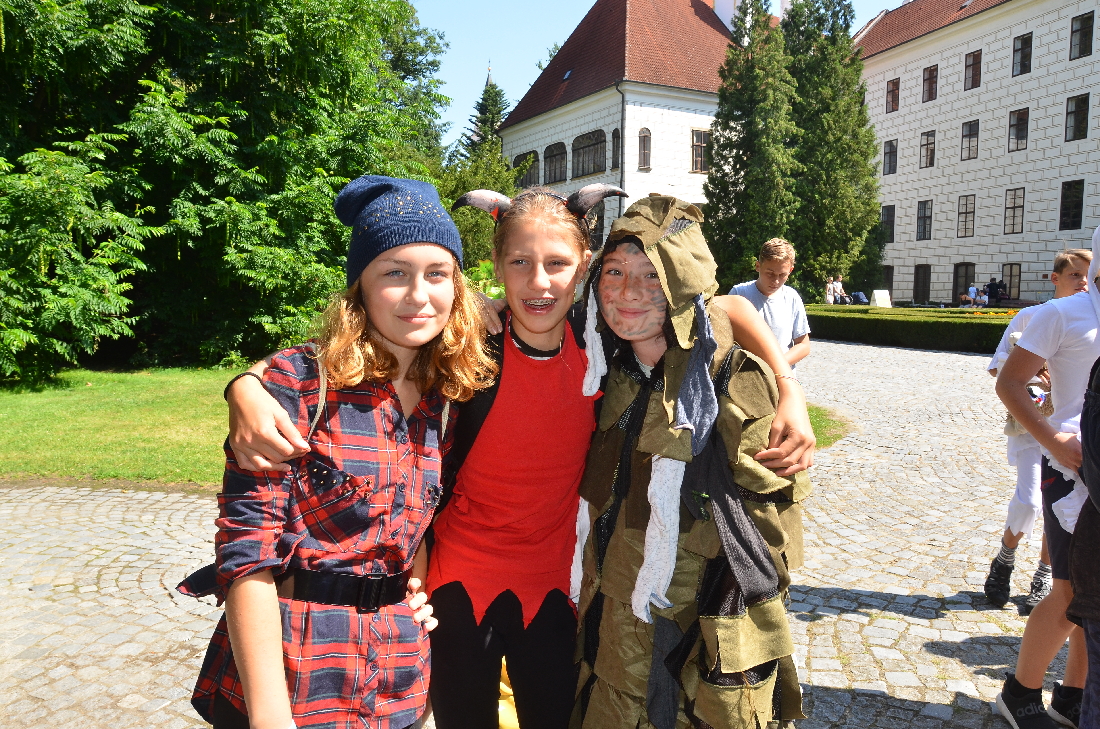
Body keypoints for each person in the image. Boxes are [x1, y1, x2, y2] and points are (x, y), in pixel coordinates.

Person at [222, 188, 818, 729]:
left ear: (583, 266)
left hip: (555, 587)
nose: (539, 283)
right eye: (520, 264)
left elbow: (728, 309)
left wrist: (787, 386)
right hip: (457, 586)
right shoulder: (468, 345)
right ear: (496, 266)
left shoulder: (599, 341)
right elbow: (341, 355)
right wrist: (247, 385)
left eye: (558, 264)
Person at [175, 176, 496, 729]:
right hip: (294, 674)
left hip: (395, 682)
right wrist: (270, 718)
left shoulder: (445, 398)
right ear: (359, 287)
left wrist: (412, 594)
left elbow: (414, 525)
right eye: (394, 273)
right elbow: (247, 561)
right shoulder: (298, 386)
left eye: (437, 273)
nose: (419, 295)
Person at [573, 195, 809, 728]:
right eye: (614, 272)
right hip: (610, 610)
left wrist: (723, 636)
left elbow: (763, 538)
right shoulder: (608, 366)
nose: (628, 292)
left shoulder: (729, 379)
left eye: (652, 276)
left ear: (682, 284)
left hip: (689, 624)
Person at [995, 243, 1098, 728]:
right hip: (1073, 469)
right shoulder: (1061, 313)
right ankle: (1020, 693)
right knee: (1070, 591)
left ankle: (1073, 695)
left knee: (1095, 593)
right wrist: (1054, 439)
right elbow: (1009, 381)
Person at [985, 250, 1092, 615]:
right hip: (1034, 424)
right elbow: (999, 368)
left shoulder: (1092, 315)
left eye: (1088, 275)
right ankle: (1006, 555)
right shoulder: (1034, 316)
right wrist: (1035, 373)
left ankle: (1045, 575)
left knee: (1063, 508)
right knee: (1031, 501)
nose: (1083, 281)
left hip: (1073, 429)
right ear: (1055, 278)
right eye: (1075, 274)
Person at [728, 238, 811, 370]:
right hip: (745, 375)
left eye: (782, 275)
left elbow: (803, 345)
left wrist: (776, 365)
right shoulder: (739, 293)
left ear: (790, 270)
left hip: (781, 374)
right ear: (758, 266)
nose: (776, 281)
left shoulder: (792, 297)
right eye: (770, 274)